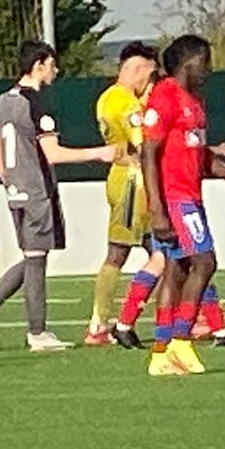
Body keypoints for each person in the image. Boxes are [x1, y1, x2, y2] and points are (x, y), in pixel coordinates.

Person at [0, 42, 118, 352]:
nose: (55, 70)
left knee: (34, 256)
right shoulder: (36, 104)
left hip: (15, 191)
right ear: (38, 65)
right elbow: (52, 153)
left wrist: (12, 183)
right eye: (52, 64)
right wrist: (100, 153)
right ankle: (37, 332)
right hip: (36, 190)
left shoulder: (1, 102)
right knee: (36, 260)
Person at [142, 34, 225, 377]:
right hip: (175, 197)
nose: (209, 69)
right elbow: (147, 154)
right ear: (187, 63)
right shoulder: (164, 97)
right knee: (205, 262)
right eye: (205, 61)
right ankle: (181, 342)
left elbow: (198, 152)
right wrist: (156, 208)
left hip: (190, 195)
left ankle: (160, 354)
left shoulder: (195, 102)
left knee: (177, 270)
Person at [87, 41, 158, 345]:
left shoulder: (105, 99)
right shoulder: (128, 104)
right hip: (133, 181)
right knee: (123, 252)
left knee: (160, 250)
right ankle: (99, 325)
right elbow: (144, 146)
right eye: (150, 75)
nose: (150, 83)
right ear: (138, 69)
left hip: (117, 176)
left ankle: (191, 314)